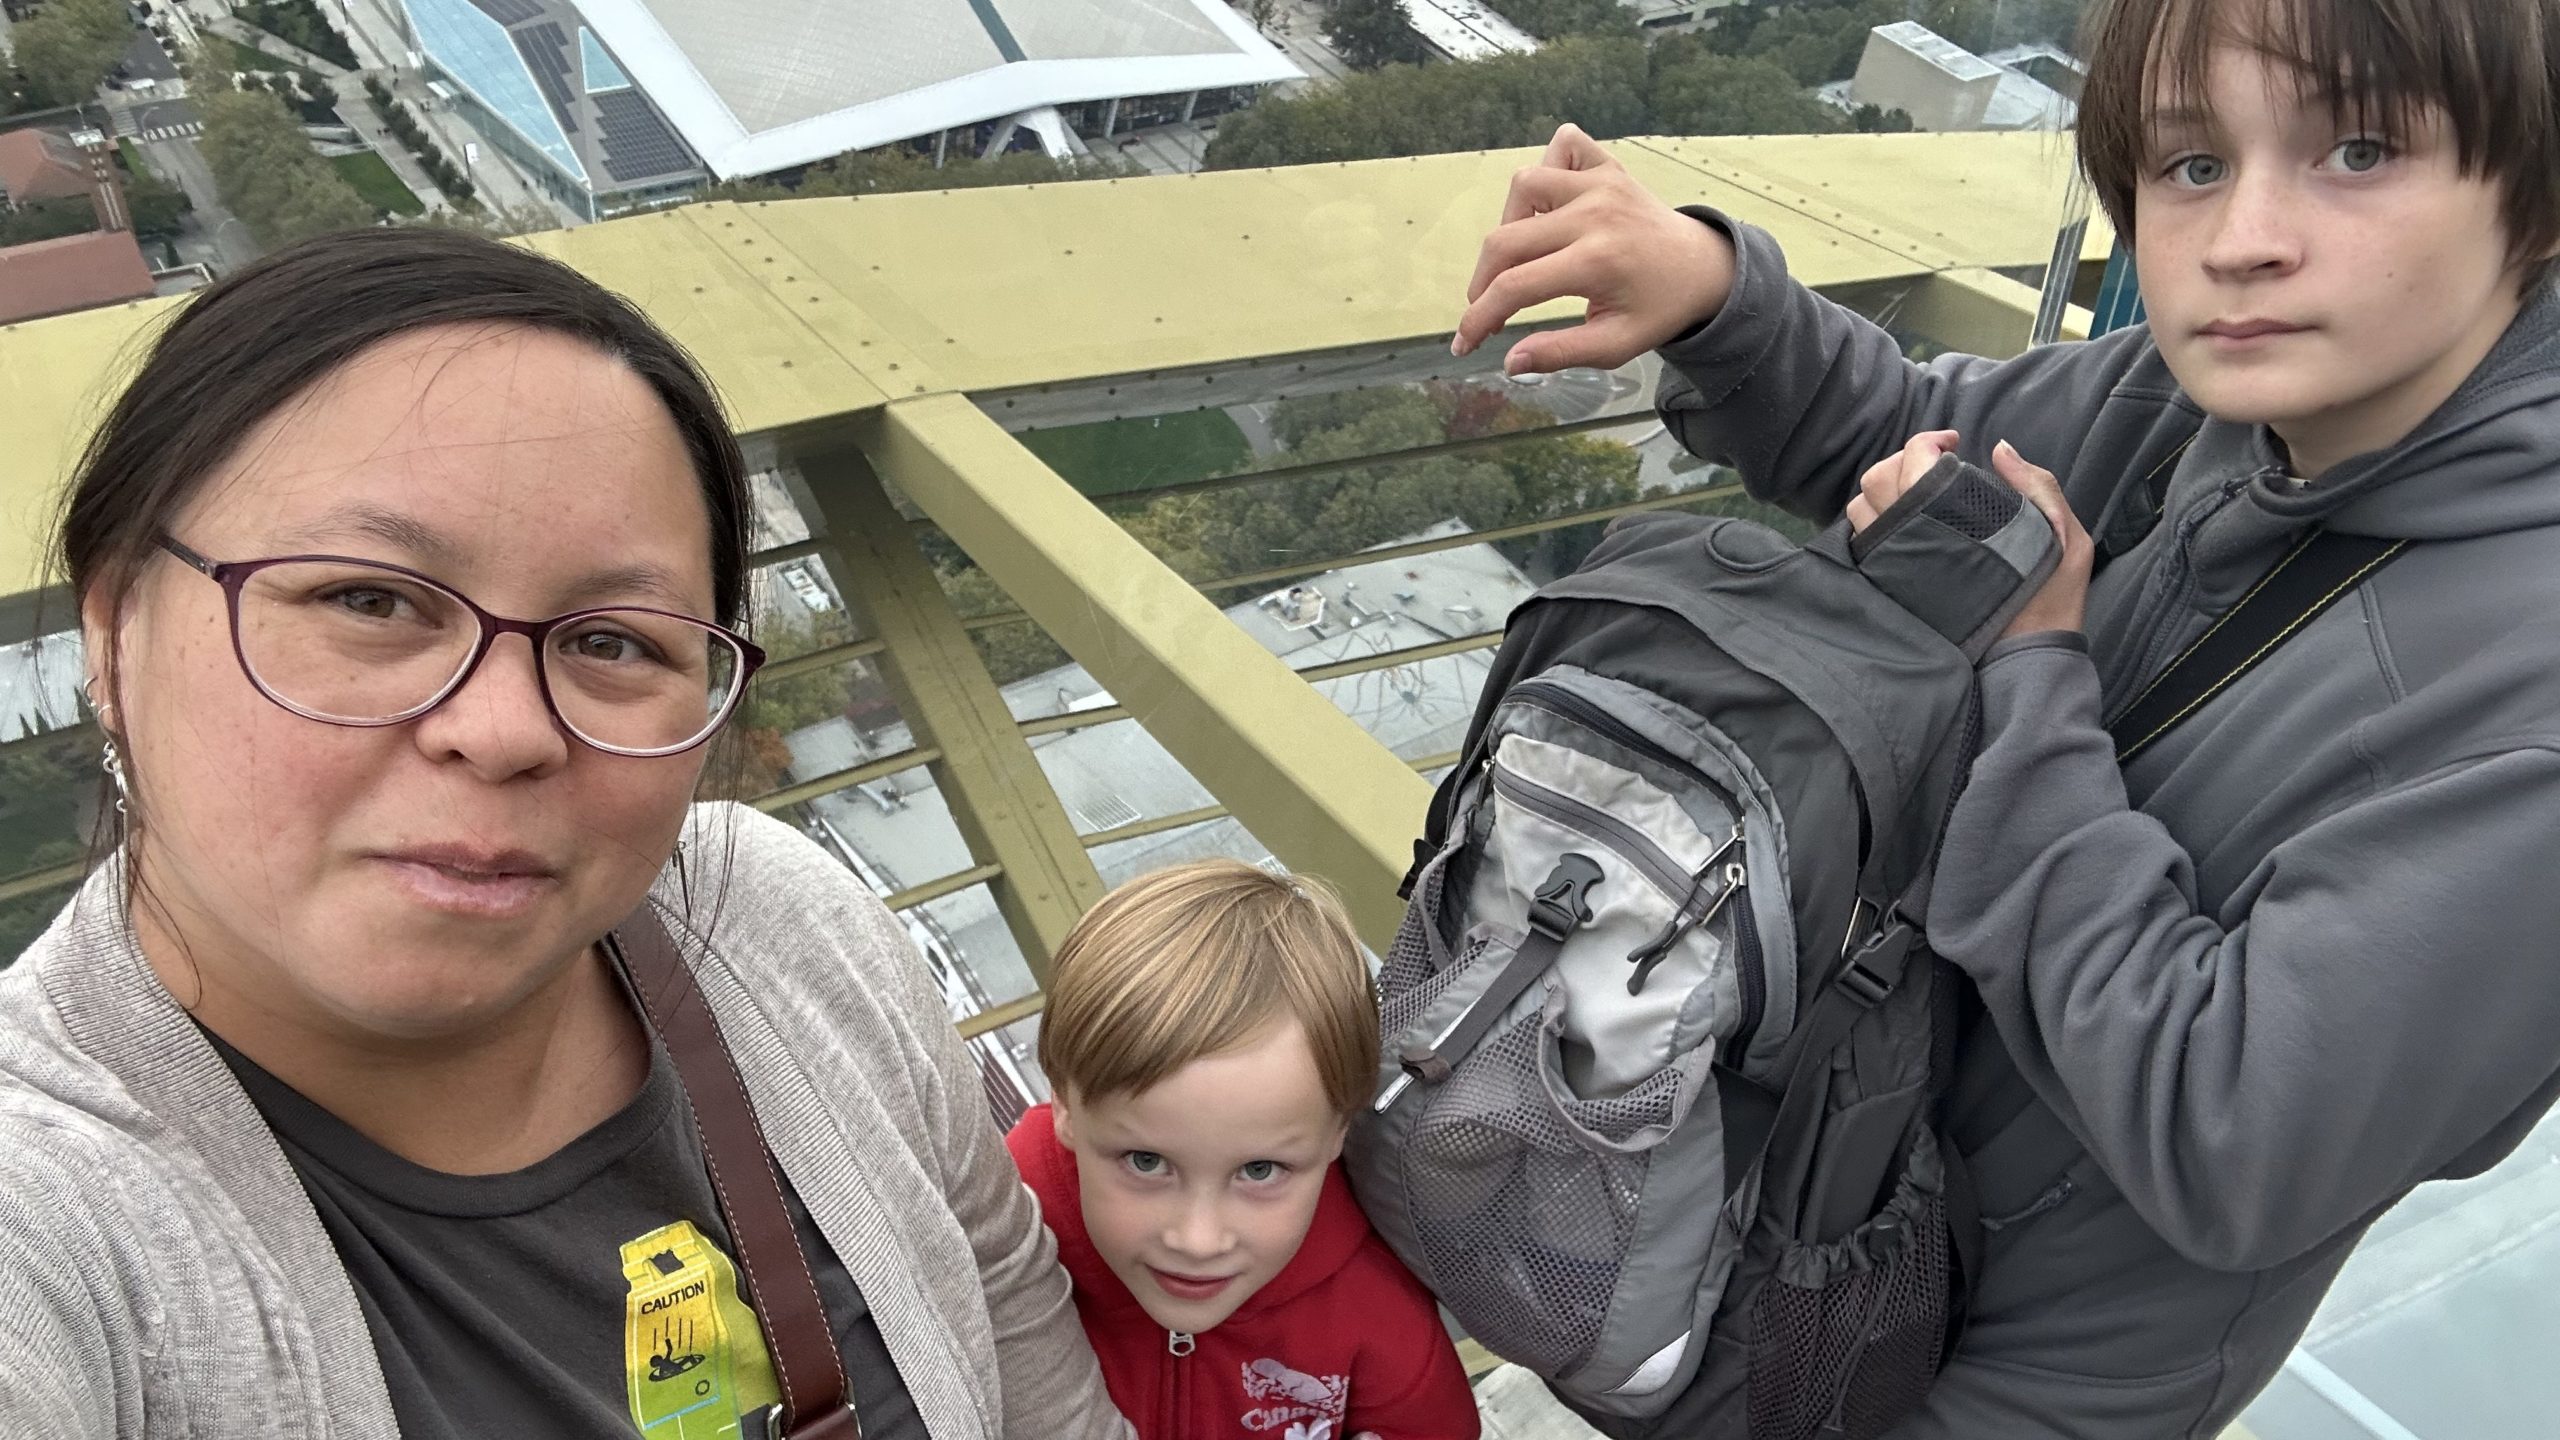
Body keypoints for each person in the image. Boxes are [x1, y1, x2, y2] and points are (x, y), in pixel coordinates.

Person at [1448, 0, 2560, 1433]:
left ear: (2531, 195)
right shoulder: (2197, 402)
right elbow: (1920, 436)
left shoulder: (2524, 699)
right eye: (2192, 164)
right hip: (1823, 1200)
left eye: (2357, 150)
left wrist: (2029, 676)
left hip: (2011, 1376)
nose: (2244, 237)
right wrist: (1723, 301)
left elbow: (2232, 1132)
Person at [0, 227, 1129, 1440]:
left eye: (612, 642)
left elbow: (1013, 1334)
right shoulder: (52, 1207)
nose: (503, 730)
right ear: (116, 632)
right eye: (367, 600)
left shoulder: (782, 925)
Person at [1004, 861, 1480, 1440]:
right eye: (1146, 1161)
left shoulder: (1376, 1301)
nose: (1198, 1240)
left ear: (1339, 1132)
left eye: (1259, 1170)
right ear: (1064, 1106)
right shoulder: (1002, 1233)